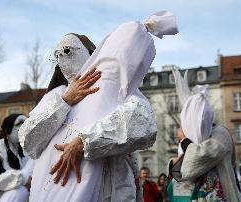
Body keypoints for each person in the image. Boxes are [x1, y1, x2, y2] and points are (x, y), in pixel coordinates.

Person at [19, 11, 178, 202]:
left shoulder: (115, 86)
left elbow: (143, 123)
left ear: (90, 52)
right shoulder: (54, 96)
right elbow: (28, 140)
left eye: (68, 51)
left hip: (107, 189)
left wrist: (84, 142)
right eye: (57, 55)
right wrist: (65, 101)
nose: (62, 58)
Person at [166, 68, 241, 201]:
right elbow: (180, 173)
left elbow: (194, 163)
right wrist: (173, 163)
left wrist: (184, 140)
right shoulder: (193, 139)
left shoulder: (221, 134)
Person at [0, 114, 34, 202]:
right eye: (18, 124)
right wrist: (24, 179)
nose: (22, 128)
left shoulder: (22, 152)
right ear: (9, 128)